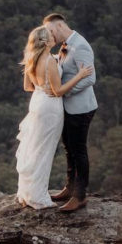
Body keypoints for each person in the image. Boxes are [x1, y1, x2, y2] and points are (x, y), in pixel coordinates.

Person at [16, 25, 93, 209]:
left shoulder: (31, 59)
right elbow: (58, 91)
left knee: (34, 148)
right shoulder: (49, 61)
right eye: (50, 34)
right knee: (45, 150)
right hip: (50, 107)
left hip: (37, 103)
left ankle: (28, 192)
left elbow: (28, 87)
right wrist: (80, 75)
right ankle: (38, 196)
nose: (54, 36)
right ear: (46, 41)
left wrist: (42, 88)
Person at [41, 13, 97, 212]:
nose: (49, 36)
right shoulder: (65, 46)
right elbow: (66, 67)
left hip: (81, 108)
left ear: (58, 26)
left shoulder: (81, 45)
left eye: (49, 31)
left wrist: (64, 92)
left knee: (79, 150)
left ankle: (80, 196)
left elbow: (90, 79)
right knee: (69, 149)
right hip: (67, 107)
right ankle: (69, 186)